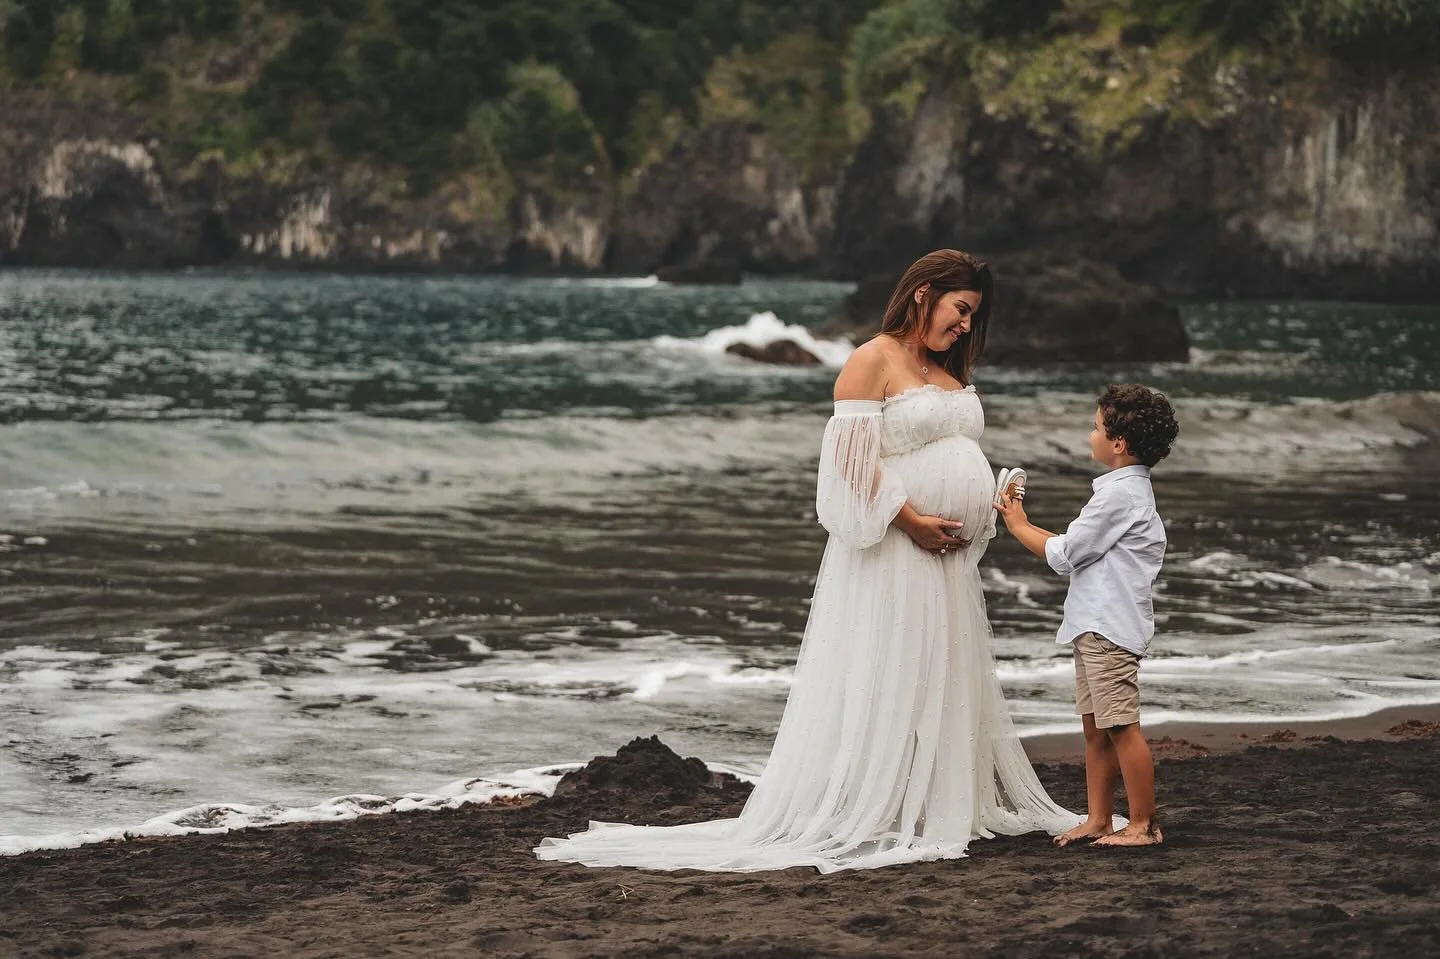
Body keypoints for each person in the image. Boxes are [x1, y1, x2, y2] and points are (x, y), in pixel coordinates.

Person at [535, 249, 1082, 873]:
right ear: (926, 293)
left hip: (946, 557)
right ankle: (880, 806)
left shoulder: (943, 367)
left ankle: (930, 800)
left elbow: (950, 448)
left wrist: (987, 501)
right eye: (960, 310)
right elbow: (847, 465)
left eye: (972, 316)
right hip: (898, 549)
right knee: (893, 666)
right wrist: (913, 521)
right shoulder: (870, 359)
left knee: (938, 671)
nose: (964, 326)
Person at [995, 384, 1179, 848]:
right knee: (1096, 729)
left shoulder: (1118, 497)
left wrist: (1017, 524)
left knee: (1120, 727)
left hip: (1109, 629)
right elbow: (1076, 548)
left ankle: (1144, 824)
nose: (1090, 434)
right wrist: (1022, 519)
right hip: (1095, 626)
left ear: (1118, 443)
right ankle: (1099, 818)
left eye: (1096, 427)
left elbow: (1066, 554)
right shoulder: (1124, 493)